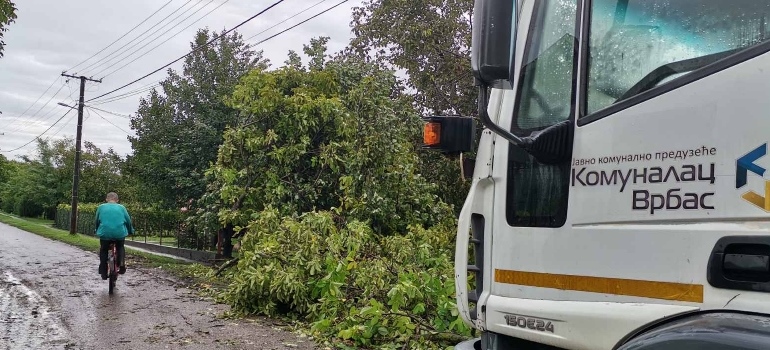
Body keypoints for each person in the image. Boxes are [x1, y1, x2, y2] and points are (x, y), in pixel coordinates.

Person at [94, 192, 134, 280]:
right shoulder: (122, 208)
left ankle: (103, 269)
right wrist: (131, 230)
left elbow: (97, 220)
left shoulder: (101, 207)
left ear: (106, 199)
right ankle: (122, 264)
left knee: (103, 249)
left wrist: (96, 230)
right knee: (120, 247)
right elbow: (128, 221)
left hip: (105, 233)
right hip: (119, 233)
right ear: (117, 200)